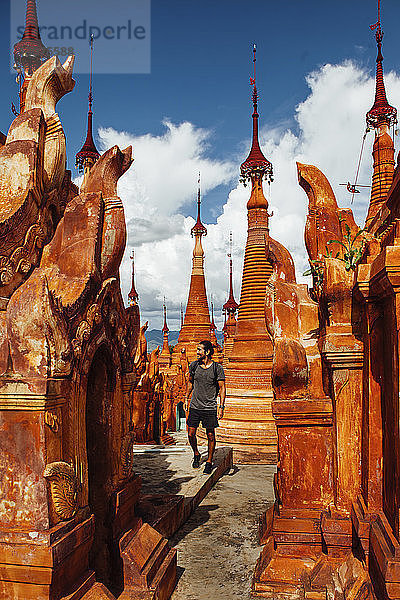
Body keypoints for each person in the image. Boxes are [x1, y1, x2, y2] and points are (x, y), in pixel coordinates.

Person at [184, 340, 226, 474]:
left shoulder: (217, 368)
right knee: (191, 434)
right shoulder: (194, 366)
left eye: (199, 350)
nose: (197, 352)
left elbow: (222, 388)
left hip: (209, 407)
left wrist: (221, 406)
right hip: (195, 405)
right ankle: (196, 453)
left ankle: (209, 461)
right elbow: (190, 383)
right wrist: (186, 398)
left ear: (207, 352)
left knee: (210, 435)